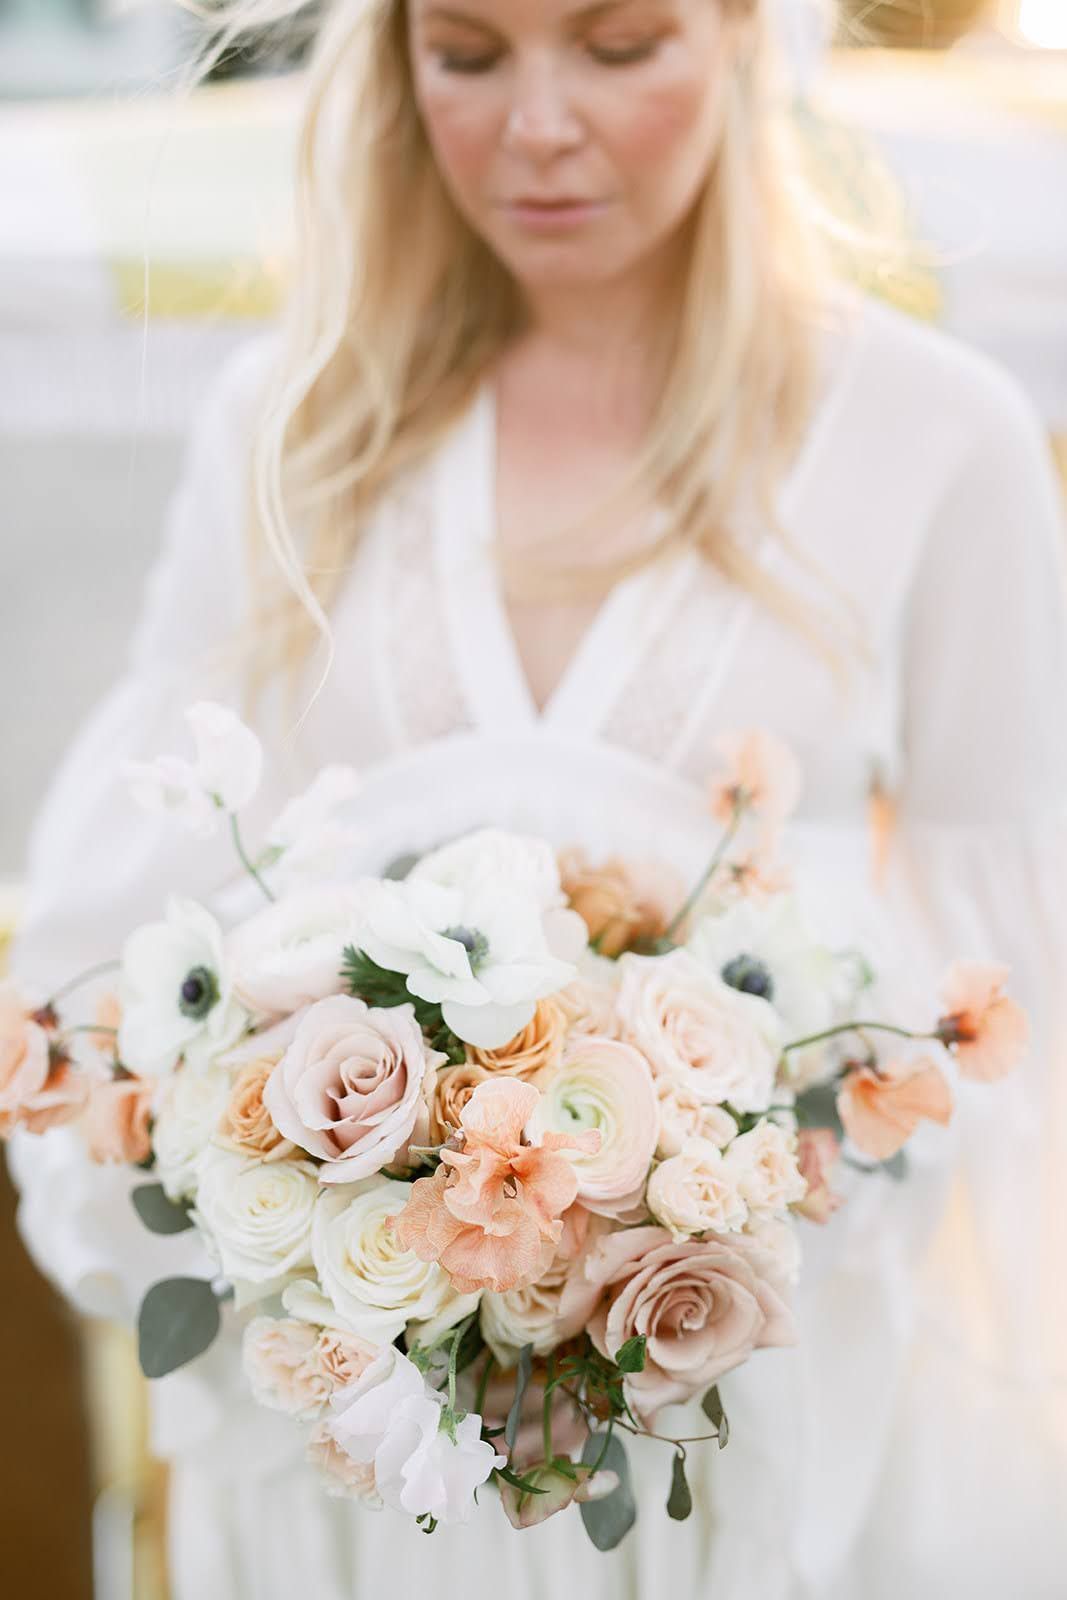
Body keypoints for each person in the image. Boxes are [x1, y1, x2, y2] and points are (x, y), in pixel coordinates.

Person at [8, 0, 1067, 1594]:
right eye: (470, 54)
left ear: (742, 42)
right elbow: (131, 923)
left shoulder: (938, 437)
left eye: (620, 46)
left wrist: (697, 1167)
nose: (538, 126)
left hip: (763, 1436)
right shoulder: (291, 428)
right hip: (360, 1466)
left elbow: (1023, 977)